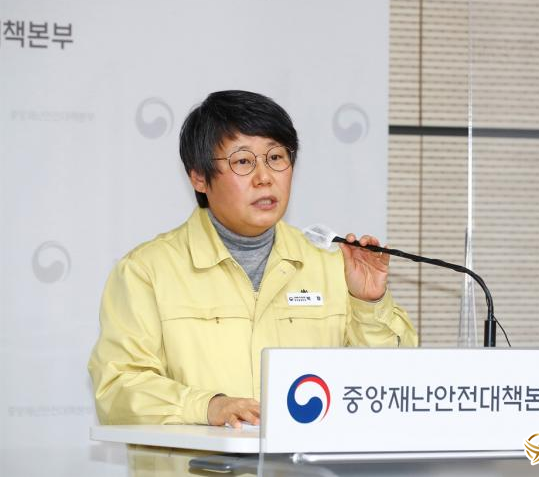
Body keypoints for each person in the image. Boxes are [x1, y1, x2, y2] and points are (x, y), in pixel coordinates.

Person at [88, 90, 418, 428]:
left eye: (276, 157)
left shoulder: (332, 264)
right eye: (243, 162)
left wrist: (369, 304)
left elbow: (391, 388)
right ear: (199, 177)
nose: (265, 177)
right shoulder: (146, 271)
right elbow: (118, 388)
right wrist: (207, 407)